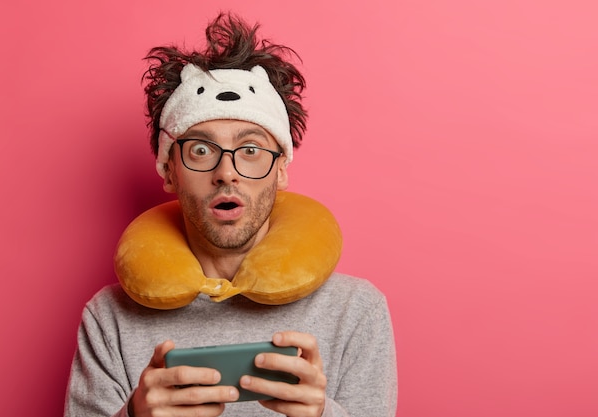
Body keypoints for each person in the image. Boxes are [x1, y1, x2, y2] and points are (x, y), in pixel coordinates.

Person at [64, 12, 397, 417]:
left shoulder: (355, 310)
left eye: (252, 150)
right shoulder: (109, 317)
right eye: (201, 150)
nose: (227, 173)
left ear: (281, 169)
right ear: (169, 171)